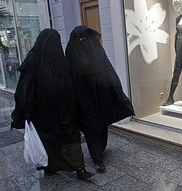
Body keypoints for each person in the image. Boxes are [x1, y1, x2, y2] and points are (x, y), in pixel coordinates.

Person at [11, 28, 95, 180]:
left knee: (71, 139)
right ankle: (50, 166)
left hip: (64, 110)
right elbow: (25, 89)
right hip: (43, 113)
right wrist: (29, 111)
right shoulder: (33, 61)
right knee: (49, 142)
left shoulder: (58, 59)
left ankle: (79, 168)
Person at [66, 25, 134, 173]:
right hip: (83, 98)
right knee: (91, 127)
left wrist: (116, 93)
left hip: (100, 95)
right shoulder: (72, 52)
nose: (83, 42)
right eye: (80, 39)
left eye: (85, 39)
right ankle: (97, 159)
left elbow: (107, 71)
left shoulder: (95, 50)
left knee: (101, 124)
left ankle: (100, 150)